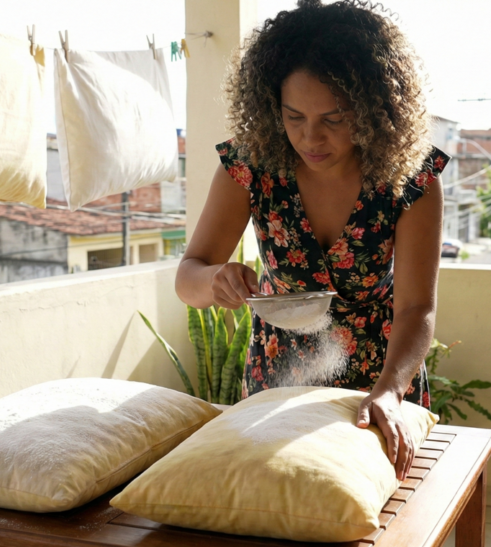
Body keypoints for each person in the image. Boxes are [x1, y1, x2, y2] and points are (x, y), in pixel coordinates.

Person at [175, 0, 449, 481]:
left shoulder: (411, 178)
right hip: (278, 381)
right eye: (294, 116)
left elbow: (415, 308)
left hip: (379, 382)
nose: (310, 138)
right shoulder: (251, 167)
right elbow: (188, 278)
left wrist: (390, 391)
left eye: (334, 119)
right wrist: (214, 280)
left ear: (372, 109)